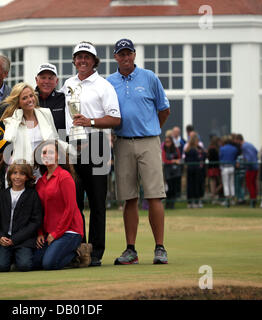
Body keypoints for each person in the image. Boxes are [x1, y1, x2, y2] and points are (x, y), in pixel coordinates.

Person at [106, 38, 169, 265]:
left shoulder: (149, 77)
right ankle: (131, 249)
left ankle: (160, 247)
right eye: (121, 54)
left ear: (134, 54)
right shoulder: (109, 82)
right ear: (115, 57)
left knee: (154, 195)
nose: (125, 57)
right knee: (129, 198)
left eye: (128, 53)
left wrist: (151, 129)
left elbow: (164, 109)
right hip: (122, 142)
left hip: (149, 141)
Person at [62, 41, 121, 267]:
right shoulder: (67, 83)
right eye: (79, 57)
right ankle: (79, 249)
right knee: (74, 202)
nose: (82, 60)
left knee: (97, 203)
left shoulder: (104, 85)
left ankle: (95, 252)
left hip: (96, 142)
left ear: (94, 61)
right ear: (75, 60)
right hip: (70, 143)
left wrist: (90, 122)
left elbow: (115, 119)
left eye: (87, 57)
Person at [33, 139, 85, 270]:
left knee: (49, 264)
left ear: (58, 156)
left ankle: (79, 253)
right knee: (34, 262)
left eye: (51, 152)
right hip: (49, 232)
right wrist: (40, 233)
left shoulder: (64, 177)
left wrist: (56, 233)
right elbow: (40, 210)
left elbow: (70, 208)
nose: (47, 155)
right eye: (44, 153)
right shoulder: (40, 182)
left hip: (69, 231)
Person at [0, 161, 42, 272]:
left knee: (24, 266)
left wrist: (15, 239)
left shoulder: (32, 195)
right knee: (0, 267)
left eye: (22, 174)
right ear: (9, 175)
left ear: (27, 177)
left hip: (24, 240)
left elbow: (35, 221)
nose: (17, 177)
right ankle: (12, 257)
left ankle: (20, 257)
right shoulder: (2, 195)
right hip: (5, 239)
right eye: (14, 173)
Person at [0, 82, 60, 168]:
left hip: (45, 167)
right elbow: (9, 137)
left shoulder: (46, 113)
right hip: (23, 170)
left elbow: (55, 139)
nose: (30, 100)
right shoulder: (12, 121)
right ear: (18, 102)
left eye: (31, 96)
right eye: (24, 98)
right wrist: (18, 115)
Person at [35, 63, 66, 133]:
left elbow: (67, 126)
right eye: (43, 78)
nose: (46, 81)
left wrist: (61, 143)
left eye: (50, 78)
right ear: (36, 80)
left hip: (59, 142)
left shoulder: (63, 98)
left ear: (56, 81)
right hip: (35, 142)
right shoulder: (29, 99)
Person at [237, 134, 258, 207]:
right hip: (255, 166)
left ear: (238, 140)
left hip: (250, 167)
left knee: (250, 184)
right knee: (254, 184)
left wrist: (246, 164)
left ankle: (252, 201)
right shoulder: (250, 144)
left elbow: (248, 157)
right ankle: (254, 199)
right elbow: (256, 151)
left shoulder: (244, 146)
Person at [185, 134, 204, 208]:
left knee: (190, 185)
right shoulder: (194, 150)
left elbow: (186, 159)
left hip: (189, 169)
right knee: (196, 185)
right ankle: (195, 201)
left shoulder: (187, 149)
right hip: (195, 169)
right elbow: (198, 159)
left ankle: (190, 202)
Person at [162, 136, 181, 209]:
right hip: (168, 172)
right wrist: (173, 161)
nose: (167, 143)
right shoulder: (164, 150)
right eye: (166, 142)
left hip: (176, 171)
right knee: (168, 189)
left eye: (169, 142)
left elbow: (179, 158)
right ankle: (168, 204)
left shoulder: (176, 149)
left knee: (174, 188)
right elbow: (164, 160)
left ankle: (172, 204)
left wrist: (177, 161)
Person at [219, 135, 239, 207]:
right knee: (231, 184)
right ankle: (232, 200)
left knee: (226, 184)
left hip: (225, 167)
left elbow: (220, 157)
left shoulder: (222, 149)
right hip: (232, 167)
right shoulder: (234, 149)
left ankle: (227, 201)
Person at [206, 136, 222, 204]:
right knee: (217, 183)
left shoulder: (210, 149)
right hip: (214, 168)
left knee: (213, 183)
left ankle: (213, 196)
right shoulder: (214, 149)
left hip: (211, 168)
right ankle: (213, 195)